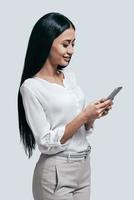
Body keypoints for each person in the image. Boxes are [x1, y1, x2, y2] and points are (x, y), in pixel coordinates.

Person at [17, 12, 113, 200]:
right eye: (65, 44)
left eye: (73, 44)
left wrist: (91, 118)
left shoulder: (69, 78)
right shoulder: (31, 87)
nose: (71, 50)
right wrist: (84, 116)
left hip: (83, 167)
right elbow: (45, 142)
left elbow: (75, 126)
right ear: (46, 43)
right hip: (56, 173)